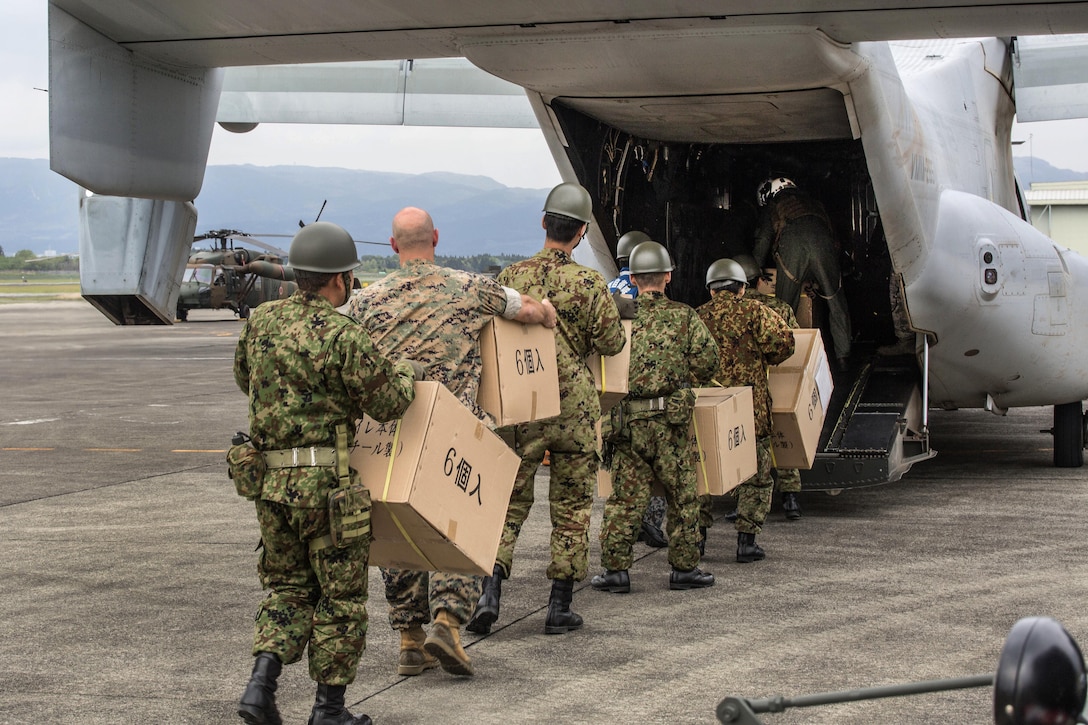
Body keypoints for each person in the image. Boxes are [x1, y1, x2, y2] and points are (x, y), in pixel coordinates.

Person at [346, 207, 556, 678]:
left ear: (393, 245)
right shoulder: (471, 288)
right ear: (435, 238)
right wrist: (547, 314)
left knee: (398, 529)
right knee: (460, 527)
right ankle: (448, 620)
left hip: (392, 428)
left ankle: (408, 638)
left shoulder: (365, 301)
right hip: (455, 428)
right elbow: (525, 309)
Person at [233, 221, 422, 725]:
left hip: (270, 486)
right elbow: (389, 402)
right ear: (339, 279)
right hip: (327, 494)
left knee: (289, 590)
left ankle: (260, 686)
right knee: (340, 599)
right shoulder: (344, 334)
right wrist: (407, 372)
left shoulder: (260, 322)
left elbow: (242, 378)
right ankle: (329, 711)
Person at [467, 182, 626, 635]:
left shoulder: (511, 278)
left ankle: (489, 593)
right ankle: (558, 607)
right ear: (580, 233)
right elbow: (613, 342)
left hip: (521, 402)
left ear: (544, 223)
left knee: (507, 503)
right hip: (573, 407)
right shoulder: (588, 282)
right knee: (573, 507)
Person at [591, 241, 719, 593]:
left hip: (627, 425)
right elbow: (709, 364)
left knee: (624, 499)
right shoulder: (684, 316)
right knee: (682, 496)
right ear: (668, 276)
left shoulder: (620, 316)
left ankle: (616, 572)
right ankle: (684, 569)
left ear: (632, 278)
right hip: (670, 426)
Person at [696, 258, 794, 563]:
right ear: (741, 288)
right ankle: (746, 541)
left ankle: (696, 542)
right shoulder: (756, 312)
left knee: (700, 474)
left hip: (705, 409)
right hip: (750, 409)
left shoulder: (696, 317)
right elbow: (785, 345)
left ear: (712, 290)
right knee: (756, 474)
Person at [607, 229, 668, 549]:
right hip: (648, 389)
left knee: (626, 466)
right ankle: (652, 519)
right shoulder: (642, 288)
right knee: (658, 465)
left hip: (617, 392)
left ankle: (627, 523)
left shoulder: (609, 289)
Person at [751, 177, 851, 368]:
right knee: (837, 303)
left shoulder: (774, 205)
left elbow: (763, 239)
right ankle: (843, 356)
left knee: (783, 304)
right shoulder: (815, 204)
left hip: (793, 248)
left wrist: (754, 270)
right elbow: (829, 235)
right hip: (824, 245)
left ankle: (782, 357)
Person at [735, 254, 804, 521]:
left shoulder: (734, 308)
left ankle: (743, 502)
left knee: (746, 445)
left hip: (742, 385)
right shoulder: (781, 308)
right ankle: (791, 498)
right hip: (774, 379)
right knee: (782, 436)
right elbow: (794, 341)